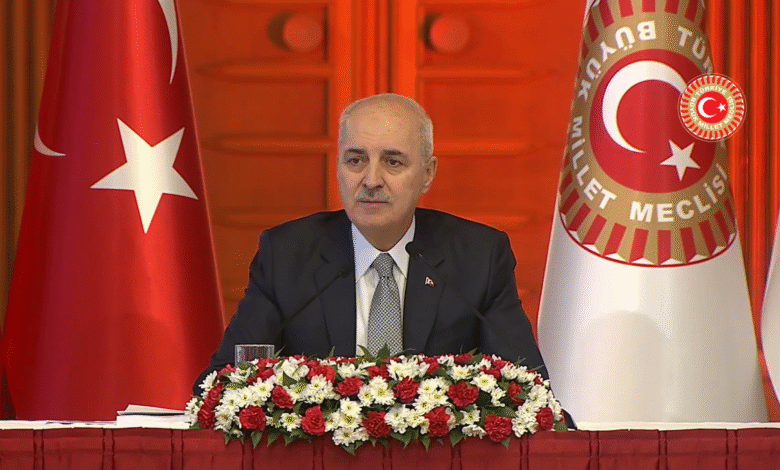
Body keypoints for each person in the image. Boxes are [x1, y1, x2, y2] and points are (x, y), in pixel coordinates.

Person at [194, 93, 548, 393]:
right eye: (355, 160)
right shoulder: (287, 255)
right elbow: (227, 382)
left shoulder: (478, 256)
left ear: (427, 174)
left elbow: (526, 386)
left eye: (393, 162)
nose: (371, 179)